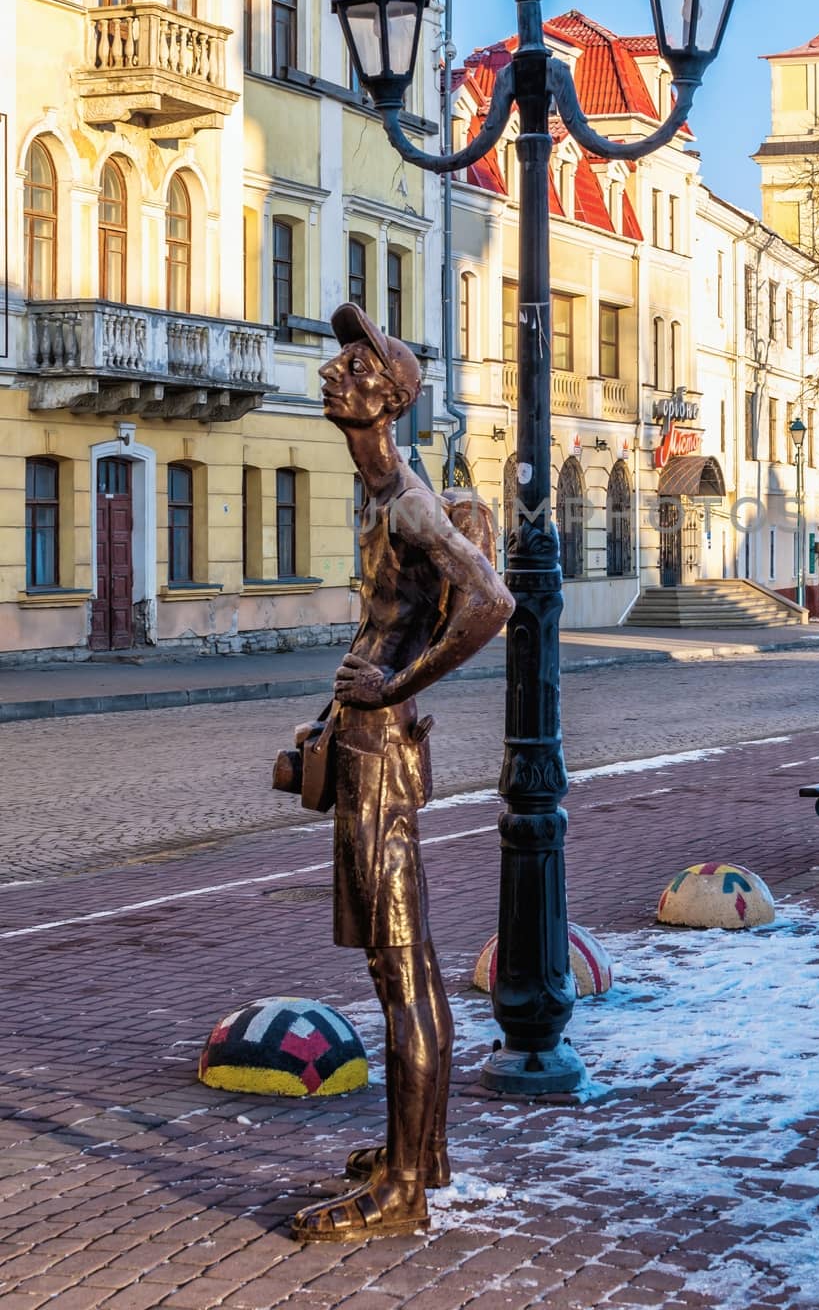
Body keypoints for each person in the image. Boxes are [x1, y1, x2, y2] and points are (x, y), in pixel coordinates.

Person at [288, 304, 513, 1243]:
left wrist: (392, 687)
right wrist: (335, 708)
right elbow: (390, 619)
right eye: (340, 362)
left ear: (389, 398)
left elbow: (491, 602)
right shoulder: (381, 498)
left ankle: (404, 1192)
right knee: (402, 965)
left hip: (381, 757)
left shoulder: (413, 501)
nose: (335, 373)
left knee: (403, 971)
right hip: (361, 743)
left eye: (355, 365)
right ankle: (421, 1155)